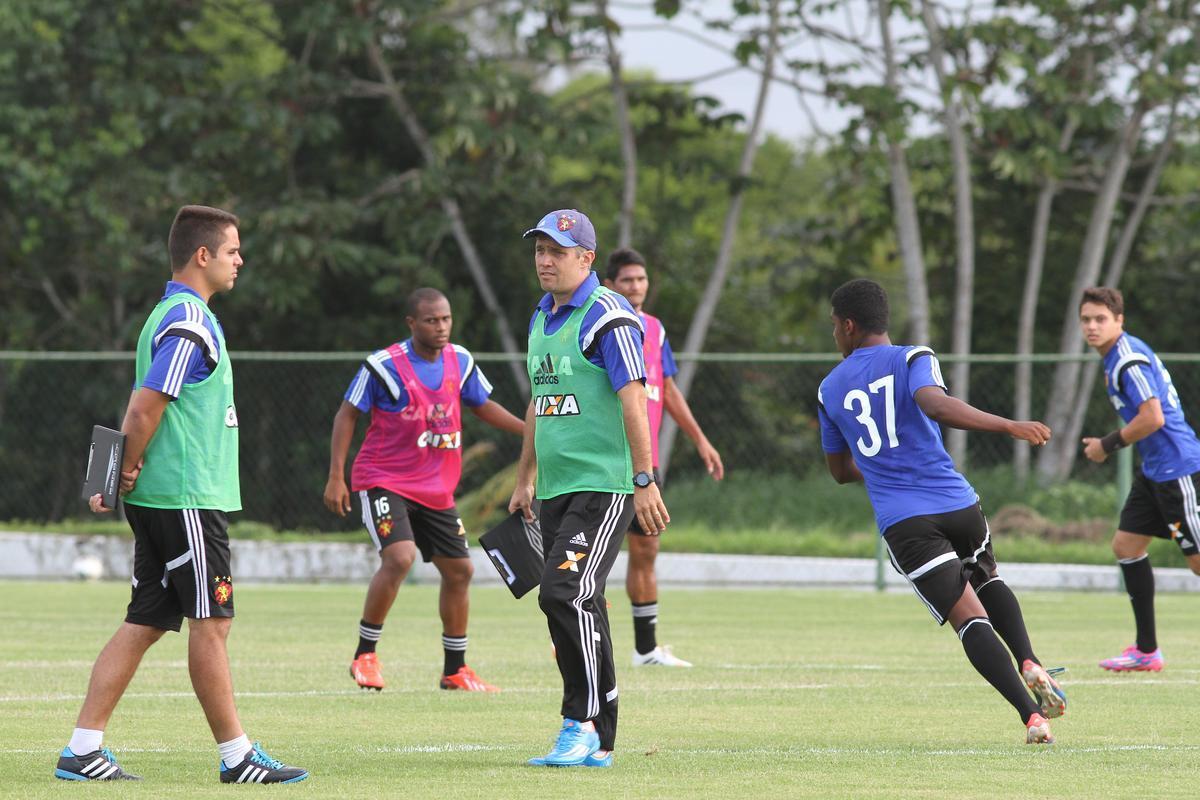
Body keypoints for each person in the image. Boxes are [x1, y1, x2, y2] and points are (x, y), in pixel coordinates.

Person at [62, 205, 307, 783]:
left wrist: (121, 466)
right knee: (212, 622)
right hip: (186, 498)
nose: (240, 260)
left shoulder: (169, 313)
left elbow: (142, 403)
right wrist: (129, 459)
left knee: (146, 620)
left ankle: (82, 748)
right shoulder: (190, 321)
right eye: (233, 251)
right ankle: (237, 757)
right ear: (203, 256)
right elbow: (149, 403)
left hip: (168, 496)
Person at [817, 278, 1066, 745]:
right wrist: (1008, 424)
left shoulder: (830, 387)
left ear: (849, 326)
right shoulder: (914, 357)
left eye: (834, 328)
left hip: (906, 522)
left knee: (969, 617)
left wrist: (879, 464)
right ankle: (1029, 658)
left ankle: (1032, 716)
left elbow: (840, 471)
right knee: (988, 578)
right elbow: (934, 404)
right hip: (957, 503)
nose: (834, 337)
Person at [509, 209, 669, 768]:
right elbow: (538, 399)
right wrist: (525, 475)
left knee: (564, 594)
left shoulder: (609, 316)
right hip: (555, 487)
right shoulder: (540, 316)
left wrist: (643, 480)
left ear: (586, 258)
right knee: (574, 606)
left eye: (556, 250)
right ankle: (598, 737)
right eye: (539, 250)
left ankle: (580, 723)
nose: (544, 260)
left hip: (603, 487)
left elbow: (634, 398)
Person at [324, 288, 524, 692]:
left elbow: (481, 404)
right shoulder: (383, 366)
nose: (442, 327)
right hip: (383, 480)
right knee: (400, 558)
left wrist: (529, 431)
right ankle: (365, 655)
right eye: (432, 320)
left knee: (460, 570)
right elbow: (347, 415)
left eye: (446, 319)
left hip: (435, 490)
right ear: (411, 324)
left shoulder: (460, 360)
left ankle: (455, 670)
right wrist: (335, 476)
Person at [604, 248, 724, 668]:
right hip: (602, 459)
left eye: (641, 279)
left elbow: (667, 390)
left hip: (643, 464)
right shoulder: (597, 325)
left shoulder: (653, 330)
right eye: (627, 280)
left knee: (646, 550)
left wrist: (701, 440)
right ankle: (572, 634)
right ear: (609, 285)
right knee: (590, 557)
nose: (636, 287)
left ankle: (645, 651)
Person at [1079, 286, 1200, 672]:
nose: (1092, 326)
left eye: (1100, 319)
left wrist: (1105, 445)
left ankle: (1147, 650)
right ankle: (1146, 651)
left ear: (1119, 321)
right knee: (1126, 545)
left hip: (1177, 470)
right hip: (1155, 472)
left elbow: (1153, 417)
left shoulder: (1127, 360)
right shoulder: (1114, 355)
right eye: (1086, 320)